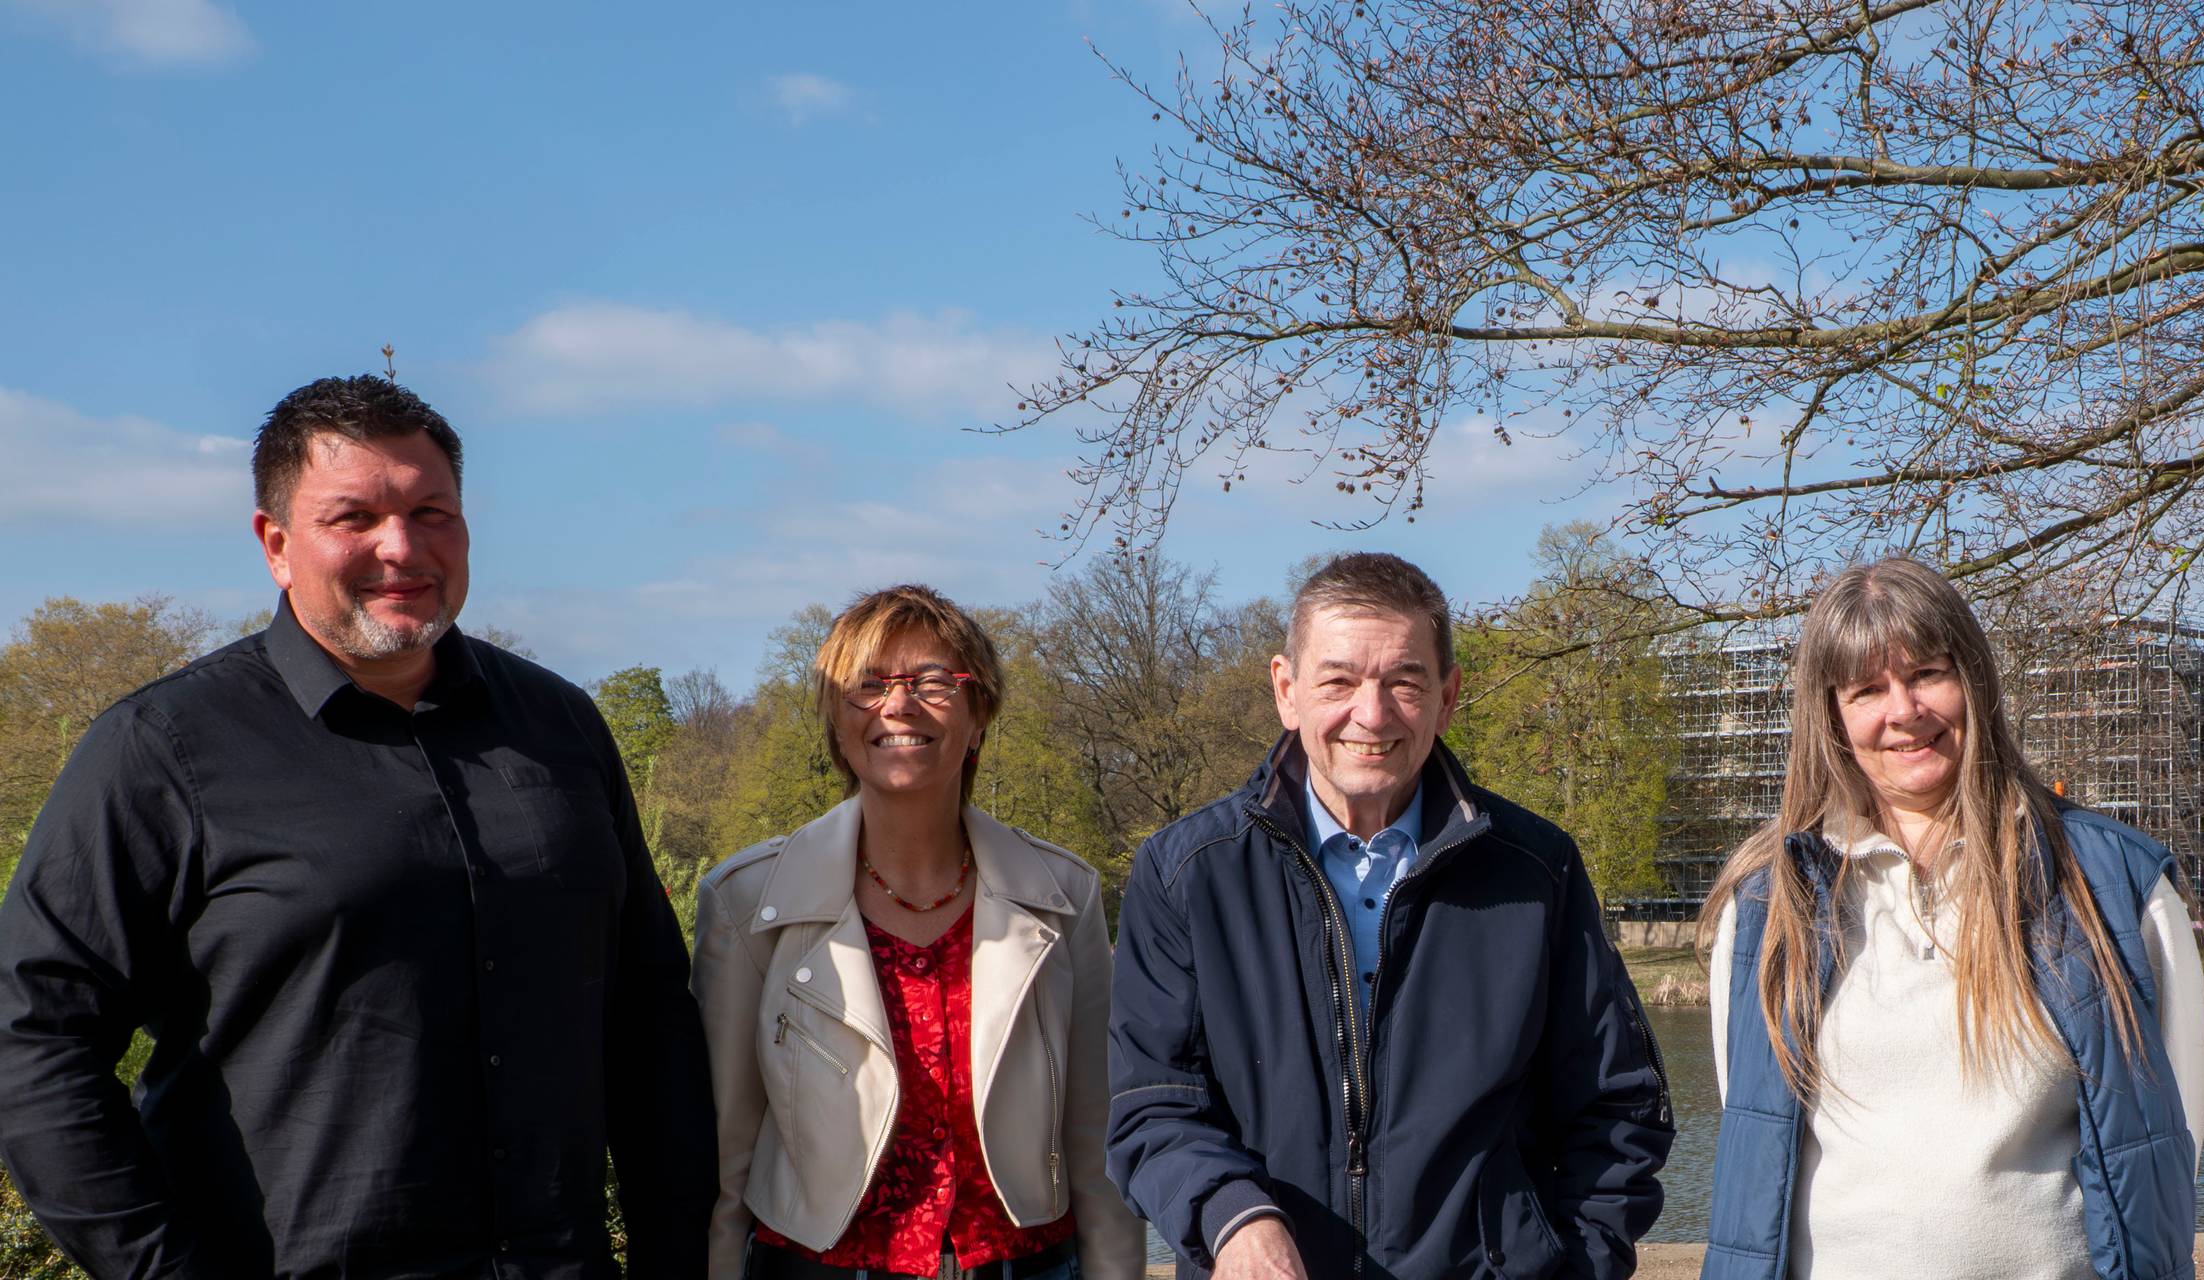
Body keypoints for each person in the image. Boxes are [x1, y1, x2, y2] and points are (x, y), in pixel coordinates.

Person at [0, 375, 715, 1277]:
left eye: (432, 512)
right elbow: (32, 1038)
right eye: (354, 517)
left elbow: (648, 1014)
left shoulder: (561, 728)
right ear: (276, 544)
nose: (402, 547)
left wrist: (674, 1253)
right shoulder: (162, 750)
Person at [1107, 551, 1674, 1280]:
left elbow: (1618, 1109)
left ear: (1447, 697)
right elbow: (1151, 1104)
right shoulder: (1186, 872)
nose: (1370, 715)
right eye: (1338, 681)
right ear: (1287, 690)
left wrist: (1576, 1267)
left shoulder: (1538, 871)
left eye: (1404, 682)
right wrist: (1233, 1217)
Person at [1700, 557, 2204, 1280]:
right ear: (1832, 716)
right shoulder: (1767, 905)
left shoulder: (2110, 884)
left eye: (1928, 673)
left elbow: (2173, 1138)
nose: (1904, 710)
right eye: (1868, 689)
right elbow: (1755, 1129)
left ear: (1973, 680)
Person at [693, 585, 1143, 1280]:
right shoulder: (748, 902)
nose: (897, 705)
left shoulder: (1062, 895)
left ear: (979, 712)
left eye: (932, 681)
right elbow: (727, 1156)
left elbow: (1095, 1139)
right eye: (866, 686)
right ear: (836, 721)